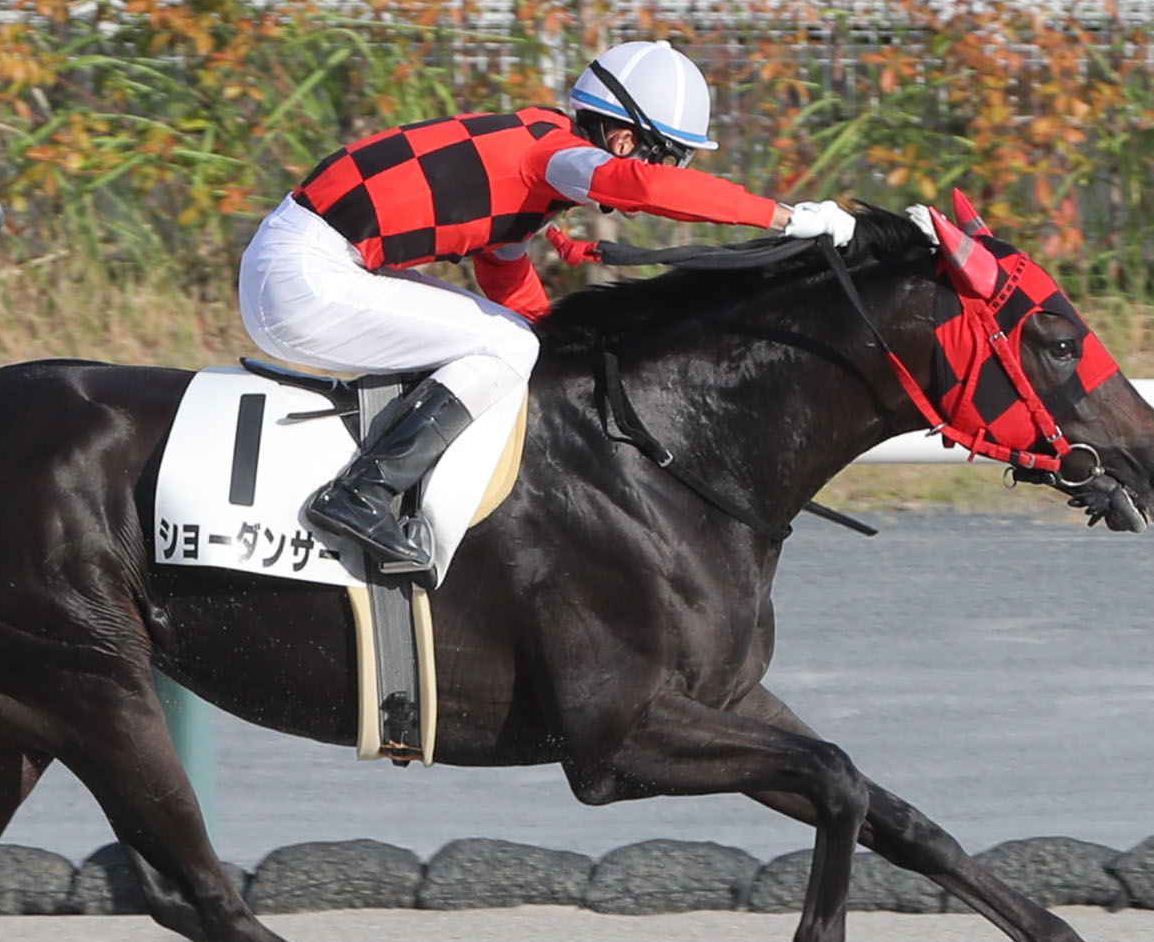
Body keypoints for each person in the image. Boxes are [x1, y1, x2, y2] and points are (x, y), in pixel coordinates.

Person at [242, 40, 858, 584]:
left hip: (311, 259)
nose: (665, 170)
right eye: (666, 155)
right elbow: (642, 187)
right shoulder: (558, 157)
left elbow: (504, 274)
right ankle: (364, 492)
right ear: (623, 140)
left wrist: (575, 353)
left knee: (518, 339)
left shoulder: (535, 151)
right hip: (302, 276)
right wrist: (786, 216)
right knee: (509, 347)